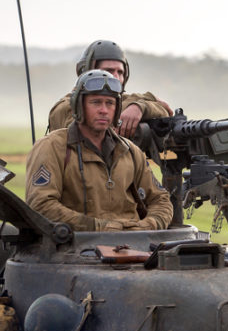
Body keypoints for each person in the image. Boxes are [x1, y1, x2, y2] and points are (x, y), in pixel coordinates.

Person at [26, 69, 173, 232]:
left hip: (133, 242)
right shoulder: (52, 147)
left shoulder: (130, 152)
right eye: (96, 102)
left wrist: (147, 226)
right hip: (77, 244)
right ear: (78, 106)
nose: (104, 110)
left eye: (110, 103)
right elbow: (41, 204)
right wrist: (98, 227)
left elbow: (160, 199)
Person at [47, 39, 171, 138]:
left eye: (120, 72)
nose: (116, 77)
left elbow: (165, 110)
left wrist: (140, 107)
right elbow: (91, 124)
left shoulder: (126, 101)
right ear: (87, 72)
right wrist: (140, 103)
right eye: (108, 71)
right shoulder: (64, 107)